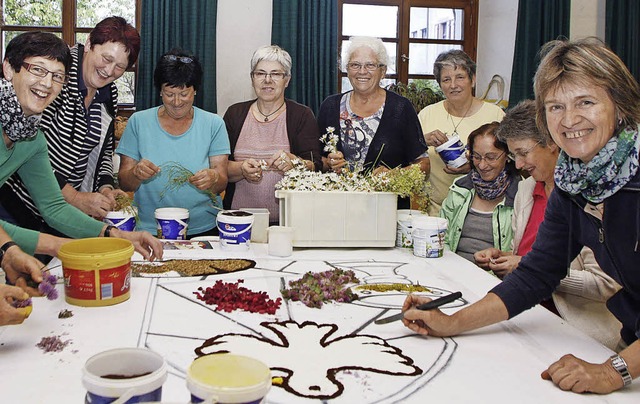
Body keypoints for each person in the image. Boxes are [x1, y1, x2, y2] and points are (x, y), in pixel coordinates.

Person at [402, 38, 640, 394]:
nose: (570, 120)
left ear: (619, 104)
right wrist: (450, 323)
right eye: (556, 107)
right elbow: (535, 276)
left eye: (586, 102)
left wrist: (611, 371)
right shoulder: (572, 184)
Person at [0, 32, 161, 304]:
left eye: (57, 76)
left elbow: (54, 207)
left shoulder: (31, 137)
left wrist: (116, 236)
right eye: (37, 70)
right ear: (8, 68)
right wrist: (56, 245)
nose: (46, 84)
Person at [474, 100, 622, 349]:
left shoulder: (591, 197)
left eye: (523, 153)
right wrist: (506, 258)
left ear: (552, 143)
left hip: (575, 331)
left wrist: (531, 269)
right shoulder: (527, 189)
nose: (518, 165)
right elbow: (530, 255)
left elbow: (605, 284)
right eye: (514, 156)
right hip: (527, 316)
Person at [0, 16, 140, 236]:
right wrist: (74, 198)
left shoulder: (107, 92)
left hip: (60, 210)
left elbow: (102, 150)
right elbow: (35, 154)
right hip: (21, 204)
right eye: (106, 58)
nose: (109, 70)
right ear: (89, 44)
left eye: (120, 67)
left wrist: (105, 188)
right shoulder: (56, 78)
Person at [117, 49, 229, 237]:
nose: (177, 102)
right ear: (160, 91)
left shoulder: (213, 124)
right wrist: (136, 173)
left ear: (195, 91)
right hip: (150, 229)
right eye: (169, 94)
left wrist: (213, 178)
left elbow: (222, 180)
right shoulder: (138, 122)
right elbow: (124, 182)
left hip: (203, 228)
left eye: (184, 94)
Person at [317, 36, 429, 208]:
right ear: (347, 69)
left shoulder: (401, 108)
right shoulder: (330, 106)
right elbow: (316, 160)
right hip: (337, 209)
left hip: (386, 211)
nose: (362, 71)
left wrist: (393, 175)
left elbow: (423, 165)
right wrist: (329, 163)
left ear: (382, 71)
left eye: (370, 65)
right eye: (355, 65)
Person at [223, 45, 320, 224]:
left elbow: (316, 167)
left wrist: (295, 163)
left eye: (275, 74)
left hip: (289, 223)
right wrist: (242, 169)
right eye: (260, 74)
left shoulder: (302, 115)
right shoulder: (234, 113)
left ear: (287, 80)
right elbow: (220, 168)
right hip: (237, 222)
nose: (267, 80)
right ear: (252, 79)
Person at [418, 49, 505, 216]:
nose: (453, 85)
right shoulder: (427, 115)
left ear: (472, 80)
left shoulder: (495, 115)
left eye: (460, 77)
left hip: (482, 212)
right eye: (446, 79)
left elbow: (510, 164)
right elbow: (408, 156)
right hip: (436, 211)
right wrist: (422, 140)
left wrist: (473, 166)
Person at [439, 122, 520, 262]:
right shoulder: (460, 189)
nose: (482, 165)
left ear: (508, 155)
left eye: (490, 157)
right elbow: (441, 237)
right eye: (476, 157)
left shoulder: (520, 195)